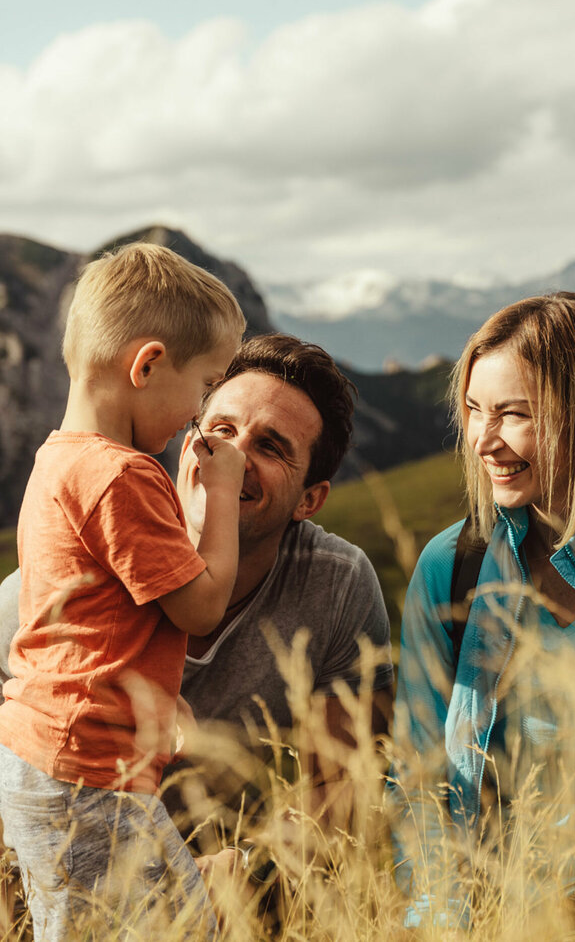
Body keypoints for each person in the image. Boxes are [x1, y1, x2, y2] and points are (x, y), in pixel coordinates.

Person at [0, 334, 394, 903]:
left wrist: (250, 873)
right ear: (188, 437)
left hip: (237, 895)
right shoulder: (49, 589)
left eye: (271, 446)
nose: (230, 457)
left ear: (310, 499)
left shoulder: (336, 587)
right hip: (62, 877)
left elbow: (343, 789)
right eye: (221, 430)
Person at [0, 242, 247, 941]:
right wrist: (219, 499)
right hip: (89, 774)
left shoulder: (57, 460)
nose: (198, 415)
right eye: (204, 388)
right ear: (147, 365)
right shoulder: (122, 475)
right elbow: (199, 607)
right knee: (182, 928)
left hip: (40, 753)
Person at [388, 292, 575, 938]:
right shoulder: (452, 568)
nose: (483, 440)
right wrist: (444, 922)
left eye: (513, 414)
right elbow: (418, 783)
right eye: (474, 411)